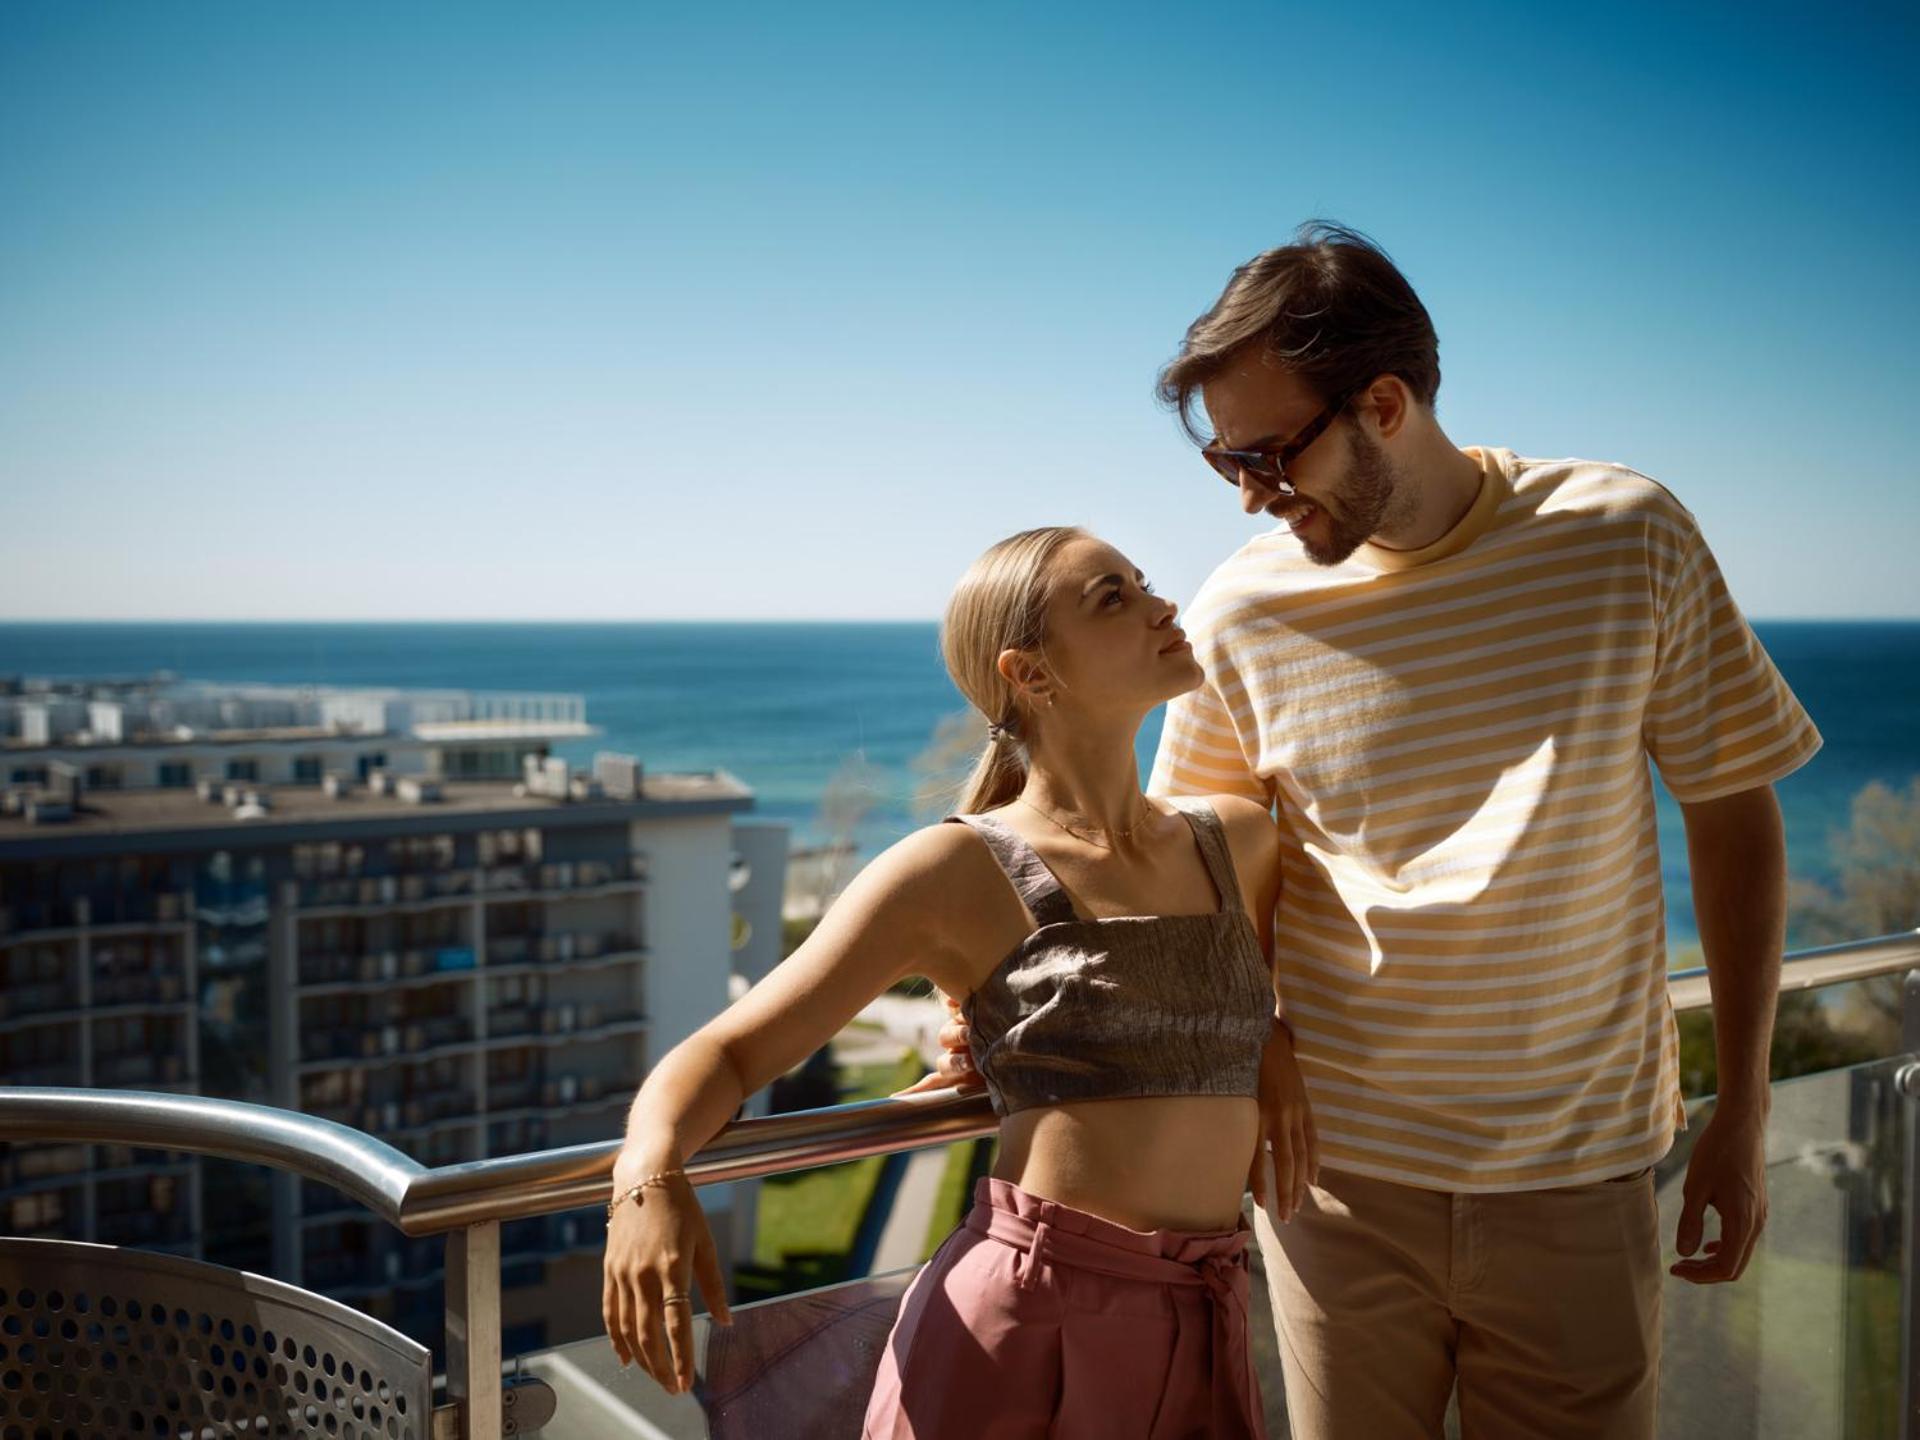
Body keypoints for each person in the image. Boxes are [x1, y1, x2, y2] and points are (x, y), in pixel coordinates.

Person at [936, 223, 1821, 1439]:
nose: (1249, 491)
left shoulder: (1625, 537)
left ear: (1386, 403)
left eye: (1266, 453)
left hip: (1579, 1175)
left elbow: (1734, 815)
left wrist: (1746, 1107)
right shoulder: (1248, 605)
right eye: (1224, 463)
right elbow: (1195, 862)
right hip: (1331, 1189)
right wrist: (1004, 978)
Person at [601, 525, 1318, 1439]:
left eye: (1141, 583)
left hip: (1208, 1310)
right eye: (1113, 598)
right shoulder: (952, 871)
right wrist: (647, 1180)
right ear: (1031, 674)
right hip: (1024, 1325)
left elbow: (1252, 998)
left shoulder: (1238, 840)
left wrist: (1276, 1046)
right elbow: (731, 1050)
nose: (1161, 605)